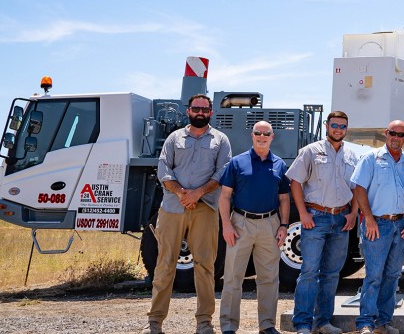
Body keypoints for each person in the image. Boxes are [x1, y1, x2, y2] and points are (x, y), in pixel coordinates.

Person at [143, 94, 232, 334]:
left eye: (205, 109)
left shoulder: (221, 140)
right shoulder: (174, 138)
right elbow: (164, 168)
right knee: (164, 265)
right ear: (188, 111)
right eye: (196, 109)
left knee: (205, 267)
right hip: (173, 207)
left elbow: (223, 171)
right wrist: (183, 193)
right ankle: (155, 322)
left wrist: (198, 193)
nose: (200, 112)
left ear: (211, 113)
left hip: (205, 209)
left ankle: (204, 323)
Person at [287, 111, 359, 334]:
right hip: (315, 218)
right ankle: (302, 324)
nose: (338, 129)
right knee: (309, 272)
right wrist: (303, 214)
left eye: (343, 126)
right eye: (335, 125)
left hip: (341, 220)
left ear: (347, 129)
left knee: (331, 274)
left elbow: (357, 188)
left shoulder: (352, 155)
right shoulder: (311, 151)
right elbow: (296, 182)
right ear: (327, 126)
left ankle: (323, 322)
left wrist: (353, 213)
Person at [217, 121, 290, 334]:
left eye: (266, 133)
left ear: (272, 136)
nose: (262, 136)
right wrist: (227, 225)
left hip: (270, 223)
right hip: (241, 223)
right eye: (258, 133)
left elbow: (284, 199)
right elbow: (225, 196)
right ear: (252, 135)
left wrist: (284, 226)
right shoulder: (237, 162)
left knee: (269, 278)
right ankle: (229, 326)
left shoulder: (279, 165)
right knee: (232, 277)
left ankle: (267, 325)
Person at [351, 120, 404, 334]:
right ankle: (365, 323)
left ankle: (383, 323)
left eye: (401, 134)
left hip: (400, 225)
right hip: (377, 225)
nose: (396, 137)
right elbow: (359, 189)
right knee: (374, 275)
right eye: (392, 133)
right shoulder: (371, 158)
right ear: (385, 134)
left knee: (392, 275)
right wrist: (368, 219)